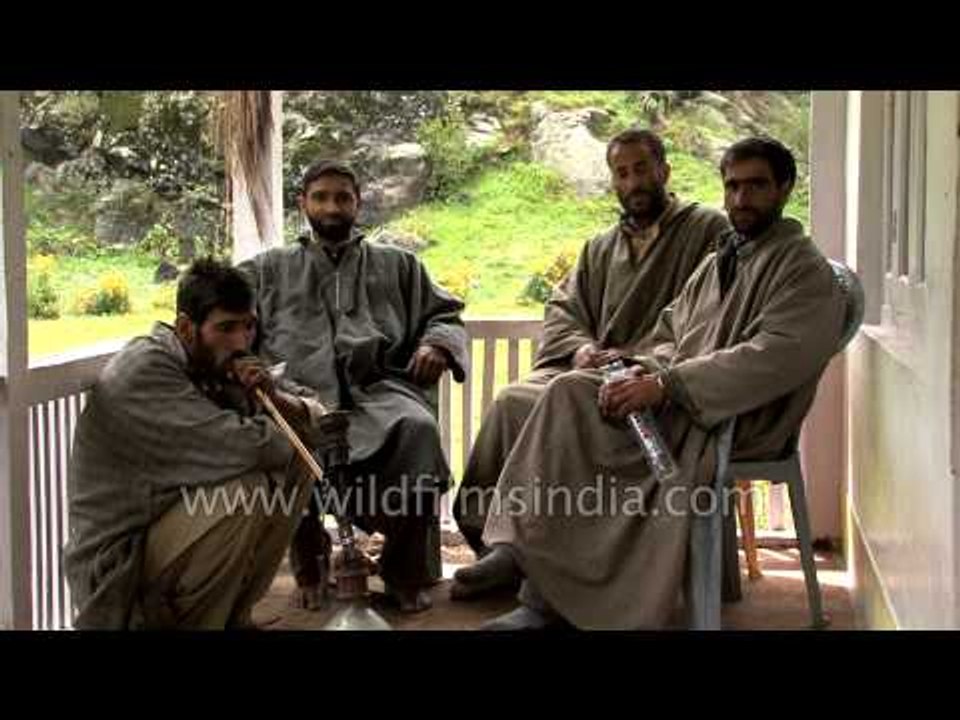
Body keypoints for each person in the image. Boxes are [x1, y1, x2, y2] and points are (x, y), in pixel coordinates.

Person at [478, 136, 846, 630]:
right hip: (684, 398)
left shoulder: (801, 268)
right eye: (732, 186)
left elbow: (773, 357)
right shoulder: (725, 258)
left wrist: (666, 385)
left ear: (785, 188)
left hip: (729, 418)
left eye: (756, 185)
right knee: (570, 392)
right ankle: (534, 566)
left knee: (575, 416)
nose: (741, 199)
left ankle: (543, 596)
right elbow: (673, 331)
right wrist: (641, 369)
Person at [451, 128, 730, 600]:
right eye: (622, 173)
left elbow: (712, 317)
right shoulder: (600, 246)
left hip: (650, 376)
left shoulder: (706, 230)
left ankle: (542, 556)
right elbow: (564, 307)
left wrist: (640, 358)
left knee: (557, 402)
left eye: (641, 169)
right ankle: (498, 544)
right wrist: (579, 348)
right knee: (512, 401)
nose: (633, 182)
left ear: (664, 170)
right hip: (589, 366)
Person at [238, 160, 469, 613]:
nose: (332, 207)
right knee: (289, 437)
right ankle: (310, 567)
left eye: (342, 197)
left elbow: (444, 314)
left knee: (418, 430)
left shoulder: (399, 264)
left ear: (357, 203)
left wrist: (437, 345)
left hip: (381, 393)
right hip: (298, 396)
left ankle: (404, 573)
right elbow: (219, 312)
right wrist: (245, 363)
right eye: (321, 197)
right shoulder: (267, 270)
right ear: (302, 203)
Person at [65, 259, 339, 629]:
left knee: (296, 466)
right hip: (121, 566)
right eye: (226, 327)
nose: (241, 341)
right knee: (245, 492)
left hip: (172, 530)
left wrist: (274, 396)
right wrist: (285, 423)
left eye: (248, 326)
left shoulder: (215, 357)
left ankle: (233, 618)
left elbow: (319, 418)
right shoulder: (146, 370)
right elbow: (251, 448)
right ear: (185, 328)